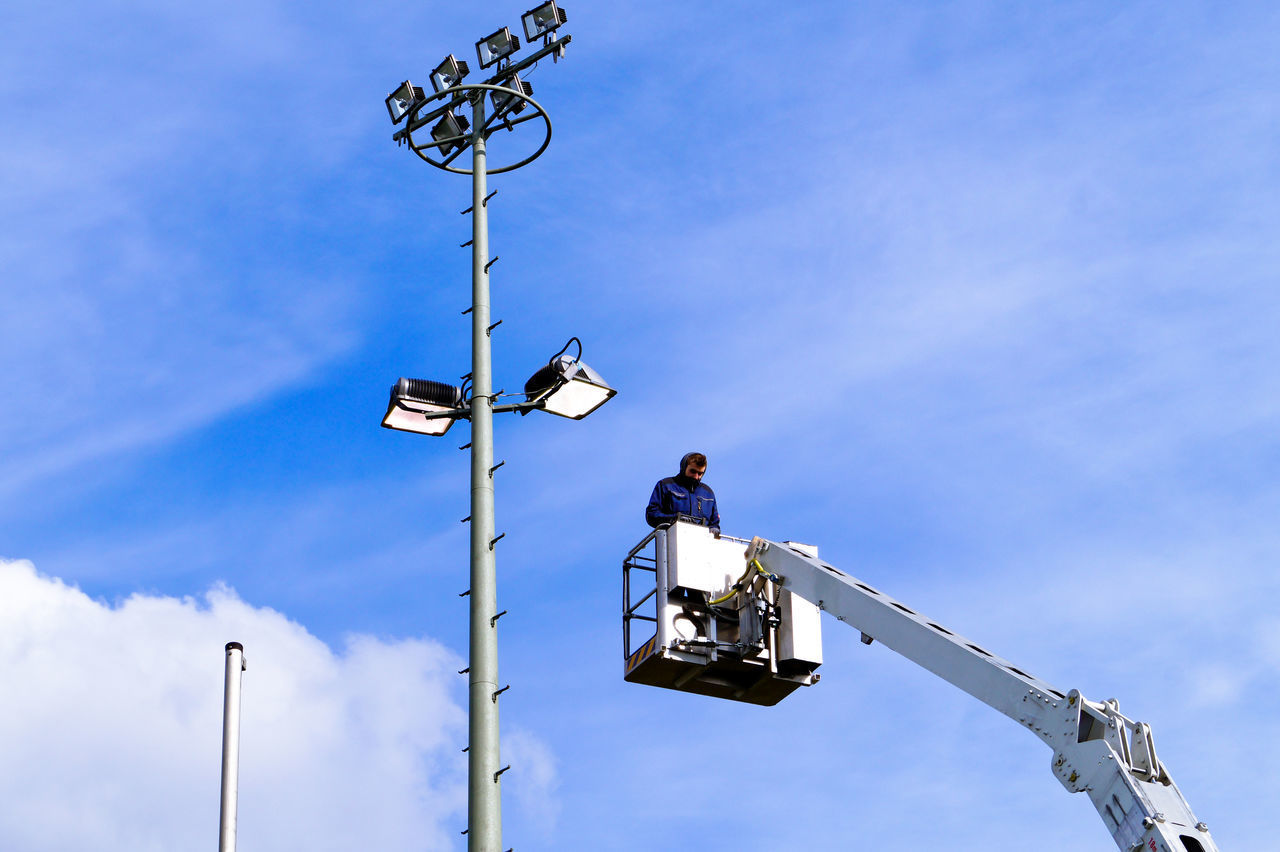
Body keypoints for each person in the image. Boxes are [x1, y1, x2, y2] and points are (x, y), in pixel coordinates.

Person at [645, 452, 720, 535]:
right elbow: (652, 515)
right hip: (673, 541)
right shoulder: (666, 485)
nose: (696, 476)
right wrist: (674, 520)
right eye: (692, 471)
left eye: (700, 473)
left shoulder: (708, 493)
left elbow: (714, 522)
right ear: (684, 467)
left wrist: (714, 529)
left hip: (702, 543)